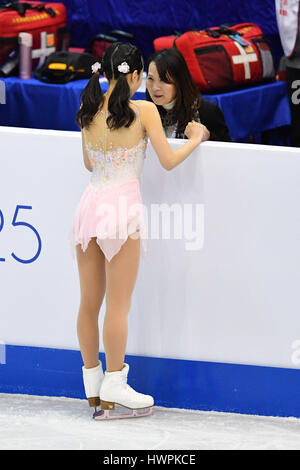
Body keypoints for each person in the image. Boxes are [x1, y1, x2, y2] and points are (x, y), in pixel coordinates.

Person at [68, 42, 206, 420]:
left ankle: (93, 386)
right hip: (121, 210)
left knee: (88, 302)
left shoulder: (87, 108)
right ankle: (115, 379)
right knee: (118, 305)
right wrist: (196, 139)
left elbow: (87, 162)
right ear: (133, 75)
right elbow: (167, 160)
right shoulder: (143, 110)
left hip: (90, 205)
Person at [146, 48, 232, 142]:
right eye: (150, 79)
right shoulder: (143, 111)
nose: (155, 88)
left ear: (180, 82)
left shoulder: (207, 112)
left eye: (164, 80)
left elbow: (229, 151)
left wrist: (208, 137)